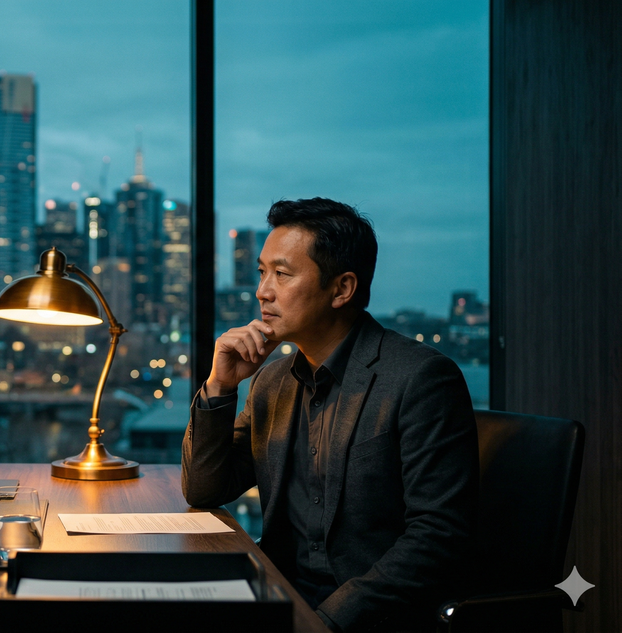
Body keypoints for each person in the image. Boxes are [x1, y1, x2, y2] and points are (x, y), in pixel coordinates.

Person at [182, 198, 478, 632]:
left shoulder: (421, 378)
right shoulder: (272, 381)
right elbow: (205, 489)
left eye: (282, 274)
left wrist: (323, 622)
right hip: (280, 595)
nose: (263, 290)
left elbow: (437, 537)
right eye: (262, 272)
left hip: (371, 619)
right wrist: (220, 385)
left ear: (342, 289)